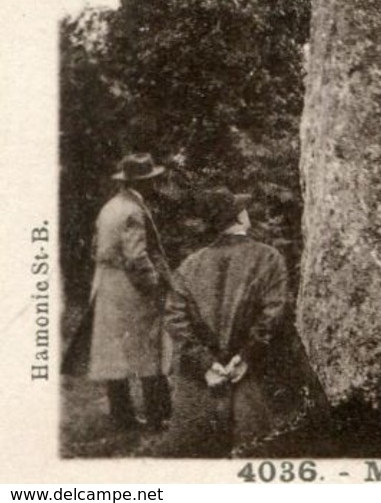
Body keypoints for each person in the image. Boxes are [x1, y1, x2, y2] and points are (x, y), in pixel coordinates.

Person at [162, 186, 290, 457]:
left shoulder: (189, 265)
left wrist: (207, 364)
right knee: (256, 453)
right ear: (242, 217)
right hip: (252, 378)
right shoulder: (268, 257)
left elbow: (175, 319)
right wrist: (245, 356)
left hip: (202, 386)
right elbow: (273, 314)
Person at [87, 152, 172, 433]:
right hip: (130, 287)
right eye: (151, 180)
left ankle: (122, 416)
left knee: (114, 352)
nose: (154, 185)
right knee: (149, 348)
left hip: (106, 284)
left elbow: (95, 248)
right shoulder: (134, 210)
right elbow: (136, 257)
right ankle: (158, 417)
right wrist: (154, 285)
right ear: (143, 182)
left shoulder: (110, 206)